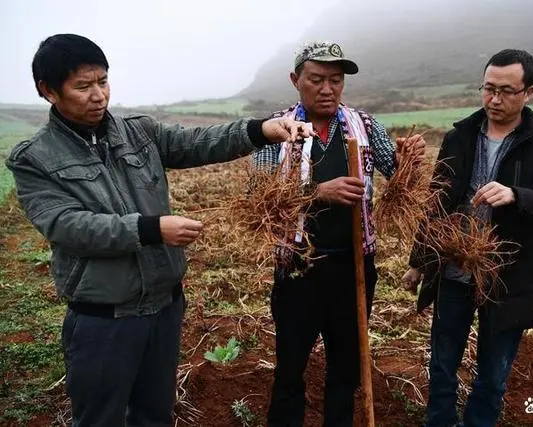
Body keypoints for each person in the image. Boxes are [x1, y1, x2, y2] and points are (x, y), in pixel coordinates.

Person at [5, 33, 312, 427]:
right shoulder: (36, 159)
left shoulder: (138, 132)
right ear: (48, 91)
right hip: (104, 317)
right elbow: (67, 226)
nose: (98, 95)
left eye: (102, 81)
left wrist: (261, 130)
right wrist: (152, 228)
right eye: (83, 86)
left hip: (164, 307)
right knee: (100, 418)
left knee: (154, 415)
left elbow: (198, 142)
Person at [252, 40, 426, 426]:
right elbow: (259, 201)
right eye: (316, 79)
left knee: (345, 369)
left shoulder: (364, 126)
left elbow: (398, 179)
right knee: (290, 368)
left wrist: (409, 161)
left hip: (354, 268)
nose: (327, 89)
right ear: (296, 80)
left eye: (335, 80)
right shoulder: (278, 130)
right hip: (298, 268)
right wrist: (318, 193)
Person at [402, 49, 533, 427]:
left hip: (505, 278)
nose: (495, 99)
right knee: (443, 364)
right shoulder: (459, 136)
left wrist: (516, 195)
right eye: (488, 89)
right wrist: (419, 261)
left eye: (507, 91)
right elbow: (437, 202)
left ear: (528, 92)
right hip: (452, 271)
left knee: (493, 376)